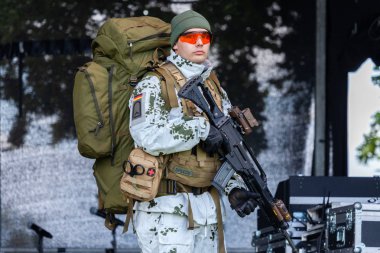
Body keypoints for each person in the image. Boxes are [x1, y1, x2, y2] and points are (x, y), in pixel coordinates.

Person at [128, 10, 258, 253]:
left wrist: (233, 188)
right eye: (190, 37)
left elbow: (224, 147)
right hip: (168, 210)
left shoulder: (214, 86)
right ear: (175, 44)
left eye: (205, 37)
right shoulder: (154, 83)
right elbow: (146, 135)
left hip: (207, 210)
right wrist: (199, 129)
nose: (199, 42)